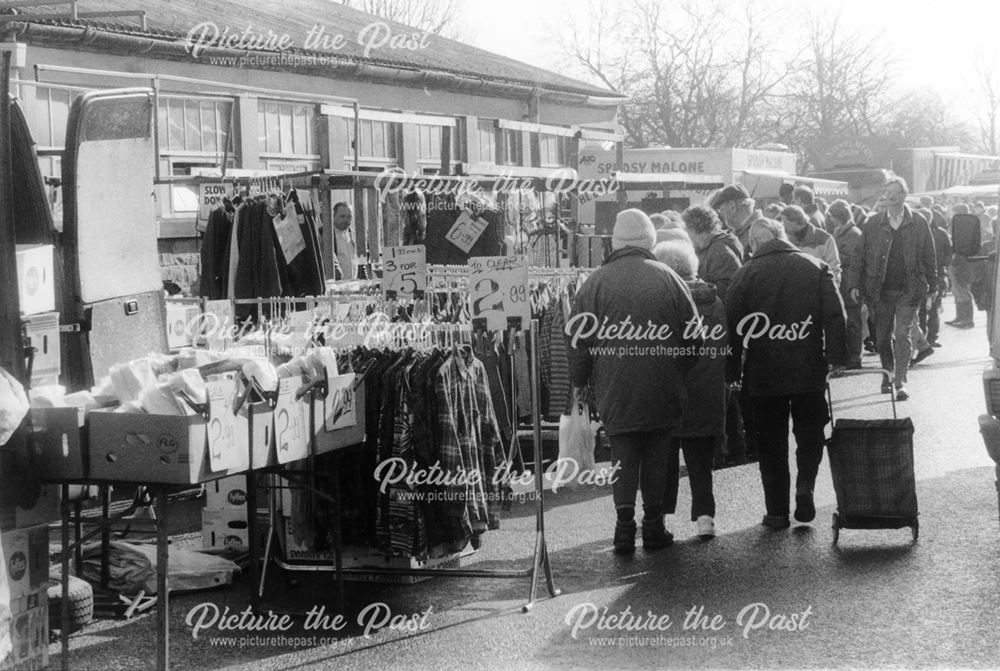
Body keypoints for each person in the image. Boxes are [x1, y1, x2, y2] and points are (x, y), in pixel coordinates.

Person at [567, 209, 701, 554]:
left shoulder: (595, 283)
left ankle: (623, 529)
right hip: (662, 381)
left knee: (622, 455)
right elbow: (694, 337)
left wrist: (580, 381)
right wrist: (678, 369)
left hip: (615, 383)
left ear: (615, 241)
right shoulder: (669, 277)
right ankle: (654, 527)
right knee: (657, 452)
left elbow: (579, 342)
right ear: (650, 241)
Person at [726, 218, 847, 529]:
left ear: (753, 245)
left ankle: (777, 511)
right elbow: (835, 314)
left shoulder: (745, 274)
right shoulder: (815, 266)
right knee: (809, 433)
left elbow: (733, 327)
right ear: (782, 236)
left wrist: (731, 370)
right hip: (807, 365)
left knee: (770, 442)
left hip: (764, 370)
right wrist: (835, 357)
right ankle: (805, 484)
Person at [654, 240, 724, 539]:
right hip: (707, 388)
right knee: (700, 462)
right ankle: (705, 517)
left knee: (664, 460)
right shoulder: (715, 301)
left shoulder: (663, 301)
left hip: (671, 390)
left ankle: (660, 518)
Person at [861, 177, 937, 401]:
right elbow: (860, 255)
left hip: (909, 289)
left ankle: (900, 381)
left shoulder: (919, 221)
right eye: (888, 192)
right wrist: (855, 285)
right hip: (881, 290)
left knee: (903, 334)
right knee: (883, 338)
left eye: (896, 192)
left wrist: (934, 284)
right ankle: (888, 372)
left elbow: (929, 254)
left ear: (904, 195)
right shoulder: (873, 223)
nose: (891, 196)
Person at [683, 204, 748, 465]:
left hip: (722, 327)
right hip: (722, 326)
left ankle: (729, 449)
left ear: (696, 229)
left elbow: (728, 291)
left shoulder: (719, 251)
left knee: (724, 393)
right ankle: (733, 448)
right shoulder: (717, 247)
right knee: (724, 392)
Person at [828, 199, 864, 368]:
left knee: (853, 321)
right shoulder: (838, 231)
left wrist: (833, 256)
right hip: (841, 283)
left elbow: (854, 258)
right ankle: (847, 354)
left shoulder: (853, 233)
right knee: (845, 320)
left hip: (850, 283)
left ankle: (855, 356)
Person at [682, 204, 743, 301]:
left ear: (693, 228)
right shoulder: (711, 246)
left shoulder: (720, 251)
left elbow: (726, 291)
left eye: (686, 229)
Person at [779, 205, 842, 285]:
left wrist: (833, 290)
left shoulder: (824, 238)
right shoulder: (786, 240)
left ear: (794, 222)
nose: (783, 226)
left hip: (820, 288)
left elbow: (834, 268)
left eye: (785, 222)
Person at [710, 184, 766, 260]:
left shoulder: (761, 232)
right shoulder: (743, 230)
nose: (721, 215)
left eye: (721, 210)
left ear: (732, 206)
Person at [948, 203, 975, 329]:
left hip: (962, 263)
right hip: (958, 261)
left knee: (962, 291)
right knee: (957, 291)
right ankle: (960, 317)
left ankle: (967, 319)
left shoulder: (965, 225)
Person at [332, 201, 356, 280]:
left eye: (349, 217)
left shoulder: (353, 235)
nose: (346, 220)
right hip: (336, 286)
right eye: (342, 216)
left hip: (354, 284)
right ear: (333, 216)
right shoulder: (328, 237)